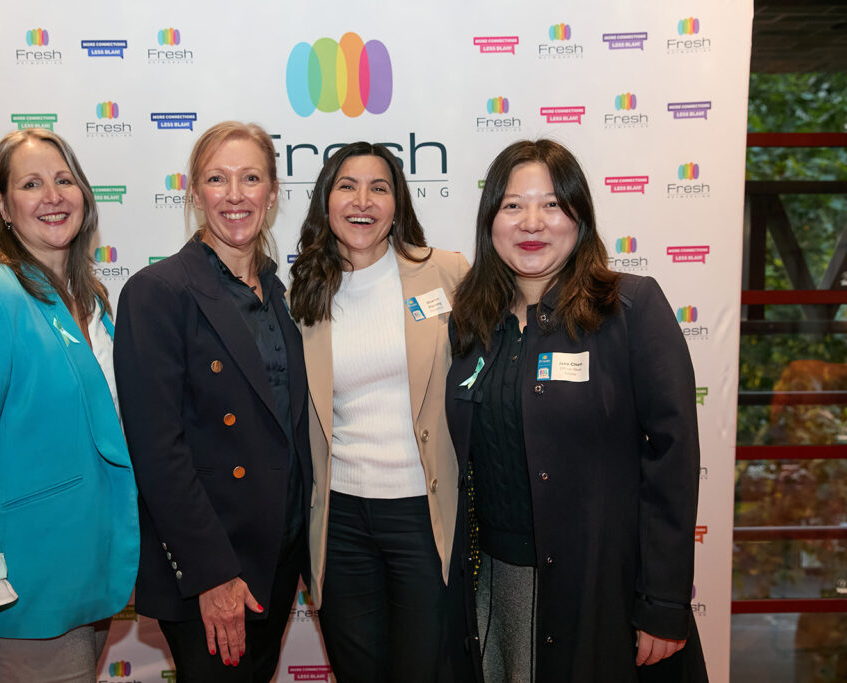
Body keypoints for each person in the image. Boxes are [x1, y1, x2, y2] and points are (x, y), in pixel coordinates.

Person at [444, 139, 709, 682]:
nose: (532, 222)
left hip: (599, 588)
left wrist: (662, 602)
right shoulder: (472, 322)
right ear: (490, 221)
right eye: (513, 205)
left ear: (579, 217)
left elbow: (673, 460)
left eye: (552, 204)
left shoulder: (630, 309)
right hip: (493, 581)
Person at [0, 128, 139, 683]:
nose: (53, 196)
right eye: (31, 184)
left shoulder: (89, 301)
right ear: (2, 205)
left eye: (64, 180)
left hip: (81, 581)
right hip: (16, 597)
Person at [113, 121, 312, 683]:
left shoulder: (280, 295)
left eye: (250, 178)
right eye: (217, 179)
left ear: (272, 194)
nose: (234, 194)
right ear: (195, 193)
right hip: (216, 567)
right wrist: (212, 574)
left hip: (278, 557)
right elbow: (158, 451)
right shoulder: (158, 292)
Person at [289, 142, 468, 682]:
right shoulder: (306, 290)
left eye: (379, 188)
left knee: (424, 669)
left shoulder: (445, 272)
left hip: (423, 515)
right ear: (326, 200)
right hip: (340, 520)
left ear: (397, 204)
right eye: (347, 186)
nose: (362, 201)